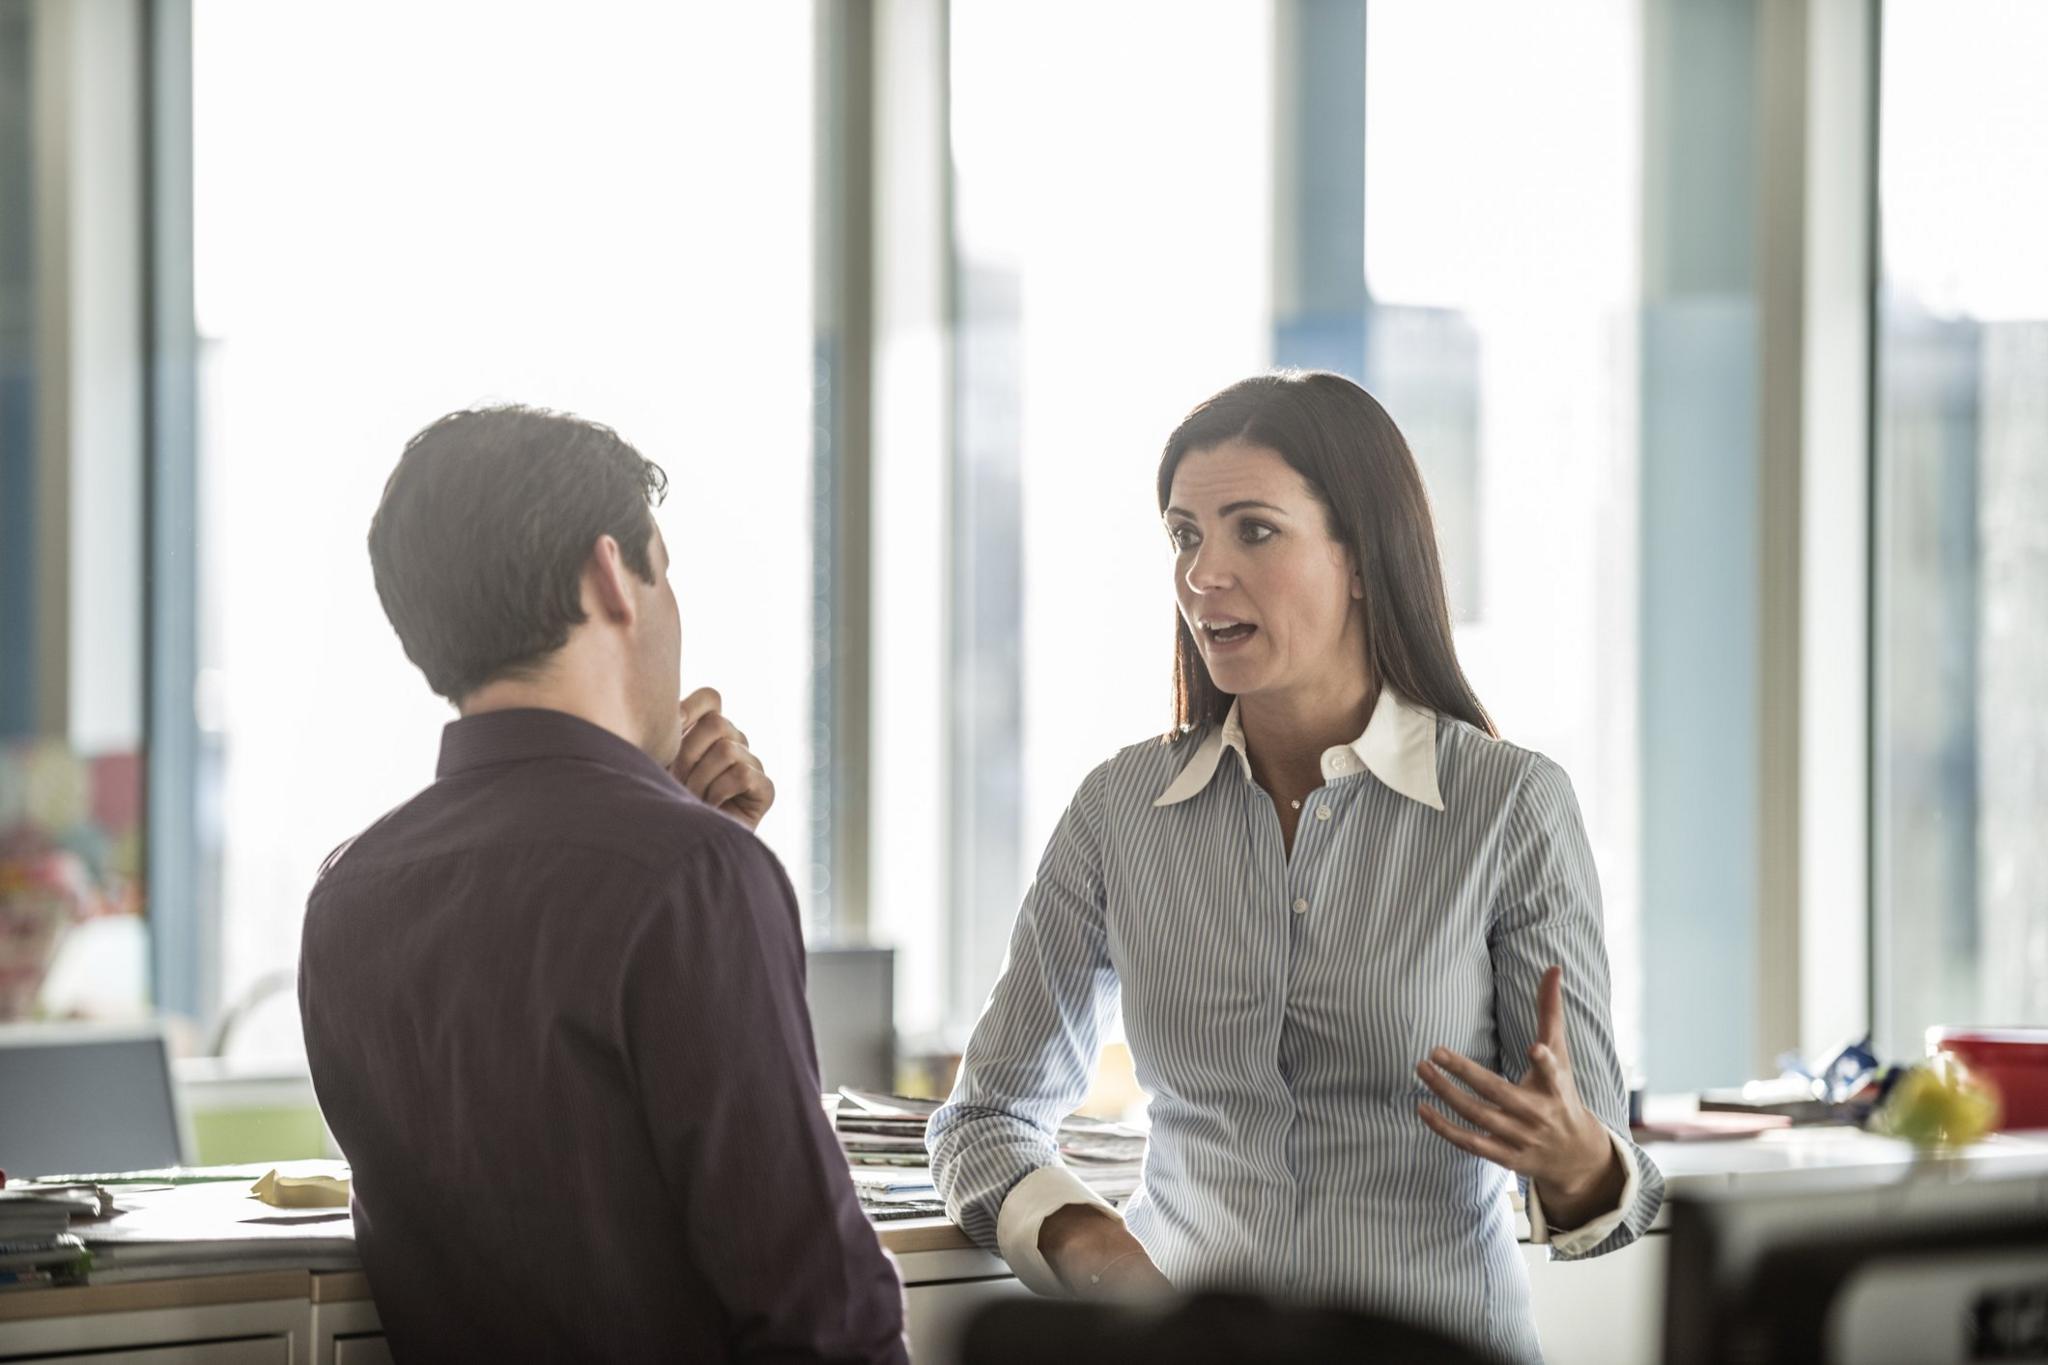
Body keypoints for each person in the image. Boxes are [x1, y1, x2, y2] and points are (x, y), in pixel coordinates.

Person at [927, 371, 1663, 1365]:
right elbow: (984, 1123)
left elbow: (1606, 1199)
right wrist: (1103, 1255)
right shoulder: (1118, 813)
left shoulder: (1508, 807)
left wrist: (1578, 1162)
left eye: (1251, 531)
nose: (1201, 574)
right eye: (1184, 536)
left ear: (1359, 557)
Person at [300, 406, 906, 1364]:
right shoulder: (692, 875)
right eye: (665, 570)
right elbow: (820, 1316)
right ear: (611, 575)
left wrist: (687, 837)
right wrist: (709, 864)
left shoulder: (349, 895)